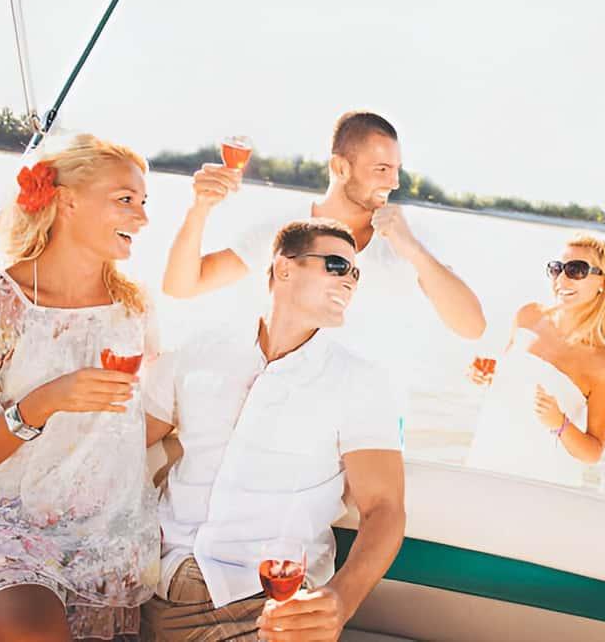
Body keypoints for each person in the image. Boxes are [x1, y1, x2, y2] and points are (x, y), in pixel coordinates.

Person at [0, 135, 168, 641]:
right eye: (125, 200)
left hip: (109, 539)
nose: (143, 218)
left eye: (143, 203)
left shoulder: (134, 309)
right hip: (6, 530)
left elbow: (134, 423)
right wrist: (43, 403)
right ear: (67, 201)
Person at [140, 218, 406, 641]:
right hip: (157, 587)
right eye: (337, 265)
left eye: (356, 272)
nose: (350, 281)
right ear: (284, 268)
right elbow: (124, 444)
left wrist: (340, 600)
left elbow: (384, 508)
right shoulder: (195, 353)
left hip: (270, 606)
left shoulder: (360, 381)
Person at [161, 112, 485, 428]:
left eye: (396, 169)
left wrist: (413, 250)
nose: (394, 182)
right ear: (340, 167)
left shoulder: (410, 242)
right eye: (382, 169)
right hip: (288, 417)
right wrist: (200, 208)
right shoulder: (284, 230)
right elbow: (183, 285)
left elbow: (471, 326)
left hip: (370, 422)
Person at [466, 233, 605, 486]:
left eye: (576, 270)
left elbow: (592, 452)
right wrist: (484, 374)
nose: (561, 279)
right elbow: (510, 379)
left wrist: (559, 423)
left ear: (603, 281)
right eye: (557, 268)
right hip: (486, 460)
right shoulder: (528, 315)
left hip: (543, 484)